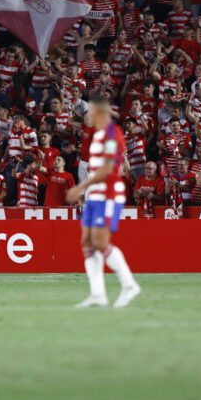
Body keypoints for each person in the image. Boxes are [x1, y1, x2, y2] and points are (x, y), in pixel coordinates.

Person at [66, 98, 140, 309]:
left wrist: (81, 187)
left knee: (99, 241)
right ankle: (97, 294)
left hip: (108, 194)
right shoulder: (98, 136)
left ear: (100, 112)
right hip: (95, 194)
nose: (87, 115)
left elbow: (109, 169)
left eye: (90, 112)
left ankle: (129, 284)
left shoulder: (111, 134)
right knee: (87, 242)